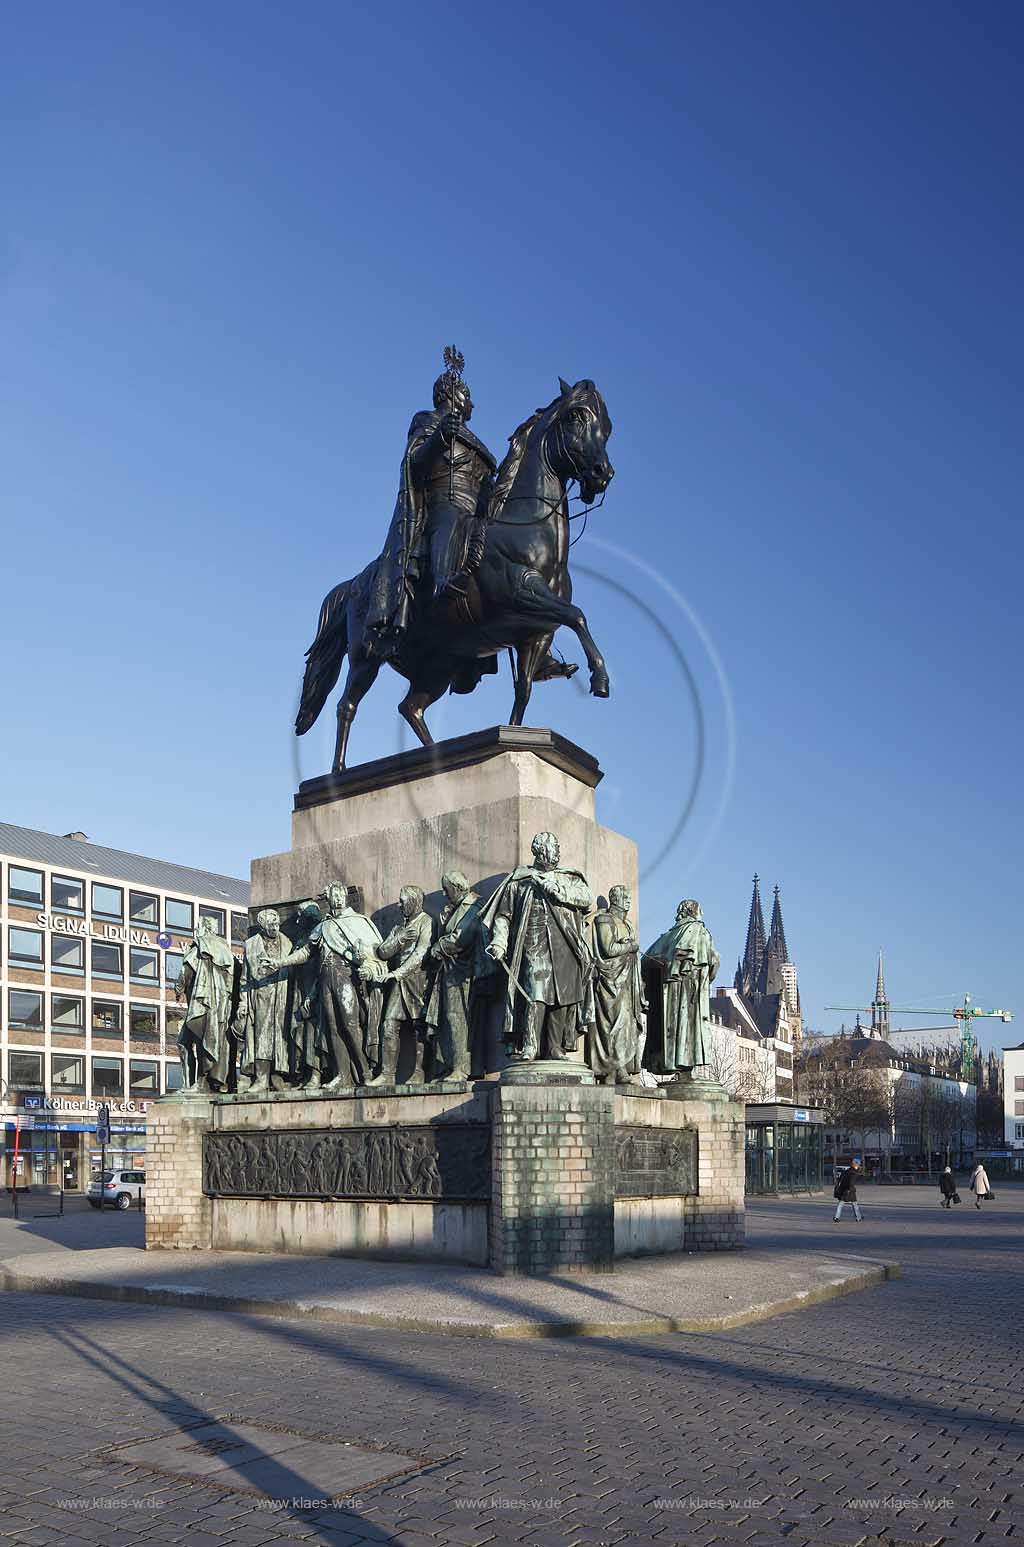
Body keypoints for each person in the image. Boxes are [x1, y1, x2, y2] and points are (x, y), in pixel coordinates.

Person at [364, 365, 498, 662]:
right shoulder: (427, 420)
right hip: (443, 503)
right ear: (451, 394)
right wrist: (439, 437)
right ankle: (442, 586)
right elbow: (414, 461)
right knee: (449, 523)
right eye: (467, 396)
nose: (471, 403)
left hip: (477, 510)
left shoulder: (475, 439)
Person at [481, 830, 594, 1062]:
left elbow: (586, 898)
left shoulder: (569, 877)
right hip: (534, 943)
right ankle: (530, 1045)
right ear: (540, 851)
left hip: (565, 943)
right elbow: (504, 915)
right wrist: (499, 941)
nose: (558, 853)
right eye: (554, 848)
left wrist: (558, 891)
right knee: (536, 992)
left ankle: (554, 1047)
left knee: (562, 995)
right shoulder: (521, 880)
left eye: (558, 848)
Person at [641, 900, 720, 1075]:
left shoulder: (668, 936)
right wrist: (706, 978)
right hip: (692, 989)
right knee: (690, 1027)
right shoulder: (699, 930)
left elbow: (645, 961)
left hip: (670, 994)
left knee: (677, 1027)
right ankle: (687, 1069)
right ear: (695, 912)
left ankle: (676, 1065)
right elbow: (714, 960)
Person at [370, 885, 433, 1085]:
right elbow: (382, 951)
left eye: (402, 901)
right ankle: (387, 1074)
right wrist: (400, 940)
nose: (399, 905)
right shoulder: (399, 928)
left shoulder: (426, 922)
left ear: (414, 901)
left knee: (419, 1026)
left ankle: (419, 1071)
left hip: (418, 980)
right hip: (398, 982)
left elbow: (420, 953)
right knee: (389, 1024)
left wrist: (397, 973)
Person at [589, 884, 647, 1084]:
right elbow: (608, 948)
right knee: (613, 1025)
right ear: (615, 899)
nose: (629, 901)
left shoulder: (628, 923)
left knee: (627, 1026)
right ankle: (614, 1069)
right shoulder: (605, 920)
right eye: (626, 898)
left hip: (627, 980)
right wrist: (630, 945)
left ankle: (618, 1070)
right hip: (610, 980)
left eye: (630, 898)